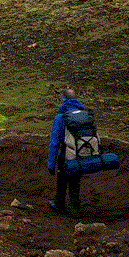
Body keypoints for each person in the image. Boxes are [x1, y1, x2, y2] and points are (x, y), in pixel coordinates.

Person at [47, 87, 85, 216]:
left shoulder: (60, 117)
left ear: (63, 99)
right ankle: (75, 207)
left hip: (66, 152)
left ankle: (59, 204)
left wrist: (51, 164)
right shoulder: (83, 115)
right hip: (80, 153)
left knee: (62, 178)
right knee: (75, 180)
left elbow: (54, 142)